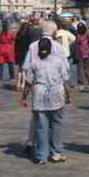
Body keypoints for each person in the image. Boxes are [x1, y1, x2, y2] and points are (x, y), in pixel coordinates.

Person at [21, 36, 70, 164]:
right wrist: (68, 96)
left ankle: (41, 155)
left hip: (39, 95)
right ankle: (56, 153)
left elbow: (28, 83)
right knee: (56, 125)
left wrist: (24, 97)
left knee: (41, 127)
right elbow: (65, 81)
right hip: (57, 94)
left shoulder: (35, 63)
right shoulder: (58, 61)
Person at [74, 23, 89, 91]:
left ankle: (85, 83)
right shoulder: (86, 32)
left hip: (81, 52)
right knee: (86, 68)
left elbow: (77, 42)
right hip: (86, 52)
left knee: (81, 69)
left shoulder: (78, 33)